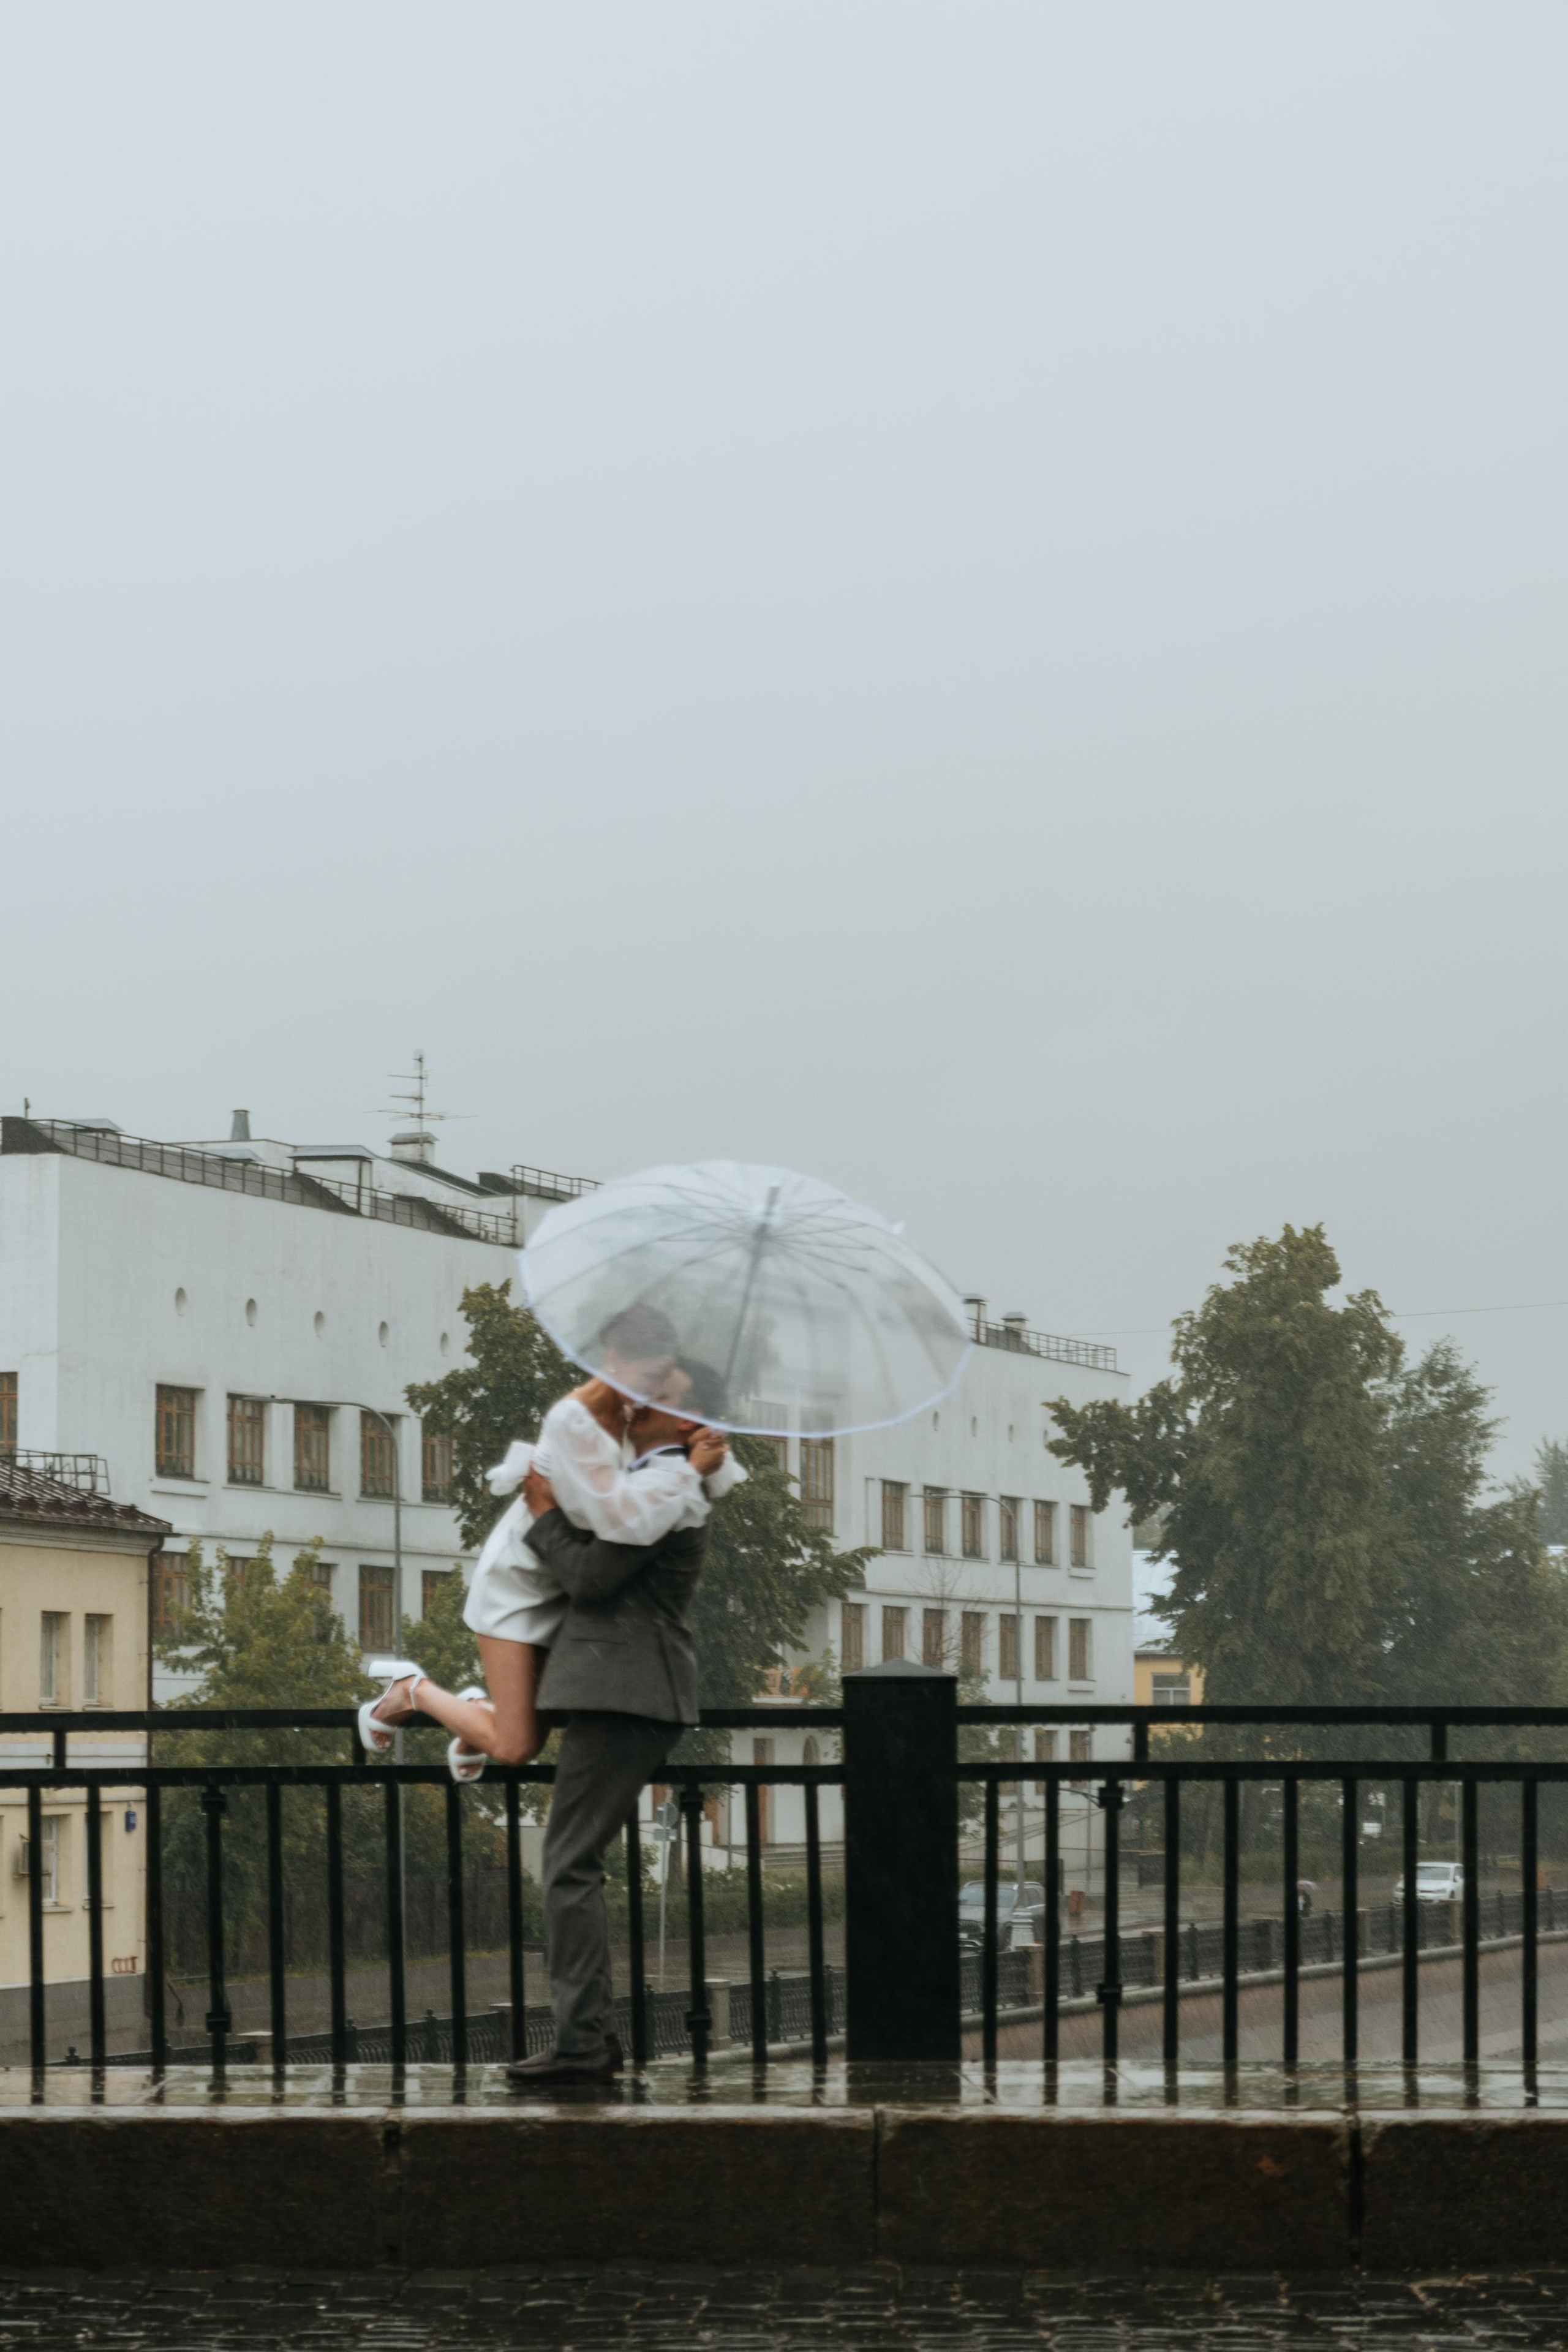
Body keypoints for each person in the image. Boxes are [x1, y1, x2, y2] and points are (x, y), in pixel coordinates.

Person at [357, 1311, 740, 1771]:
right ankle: (413, 1691)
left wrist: (699, 1438)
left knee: (556, 1712)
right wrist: (691, 1467)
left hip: (568, 1574)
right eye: (645, 1379)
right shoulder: (578, 1424)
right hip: (522, 1578)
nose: (648, 1396)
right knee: (518, 1747)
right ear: (612, 1360)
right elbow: (629, 1518)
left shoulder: (638, 1417)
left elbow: (702, 1483)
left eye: (661, 1380)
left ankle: (477, 1715)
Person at [504, 1379, 728, 2086]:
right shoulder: (651, 1483)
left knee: (567, 1862)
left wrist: (543, 1513)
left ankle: (583, 2043)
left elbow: (594, 1578)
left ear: (689, 1421)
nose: (632, 1408)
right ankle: (583, 2037)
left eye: (653, 1401)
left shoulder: (669, 1490)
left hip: (627, 1688)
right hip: (624, 1687)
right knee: (571, 1861)